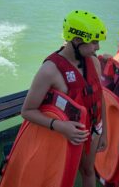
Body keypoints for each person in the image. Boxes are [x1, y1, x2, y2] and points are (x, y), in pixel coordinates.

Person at [21, 10, 107, 187]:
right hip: (62, 133)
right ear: (77, 40)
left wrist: (104, 130)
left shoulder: (94, 61)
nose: (97, 47)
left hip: (93, 130)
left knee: (88, 170)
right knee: (59, 176)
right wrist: (60, 126)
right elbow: (27, 111)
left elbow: (99, 97)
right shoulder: (50, 70)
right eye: (94, 41)